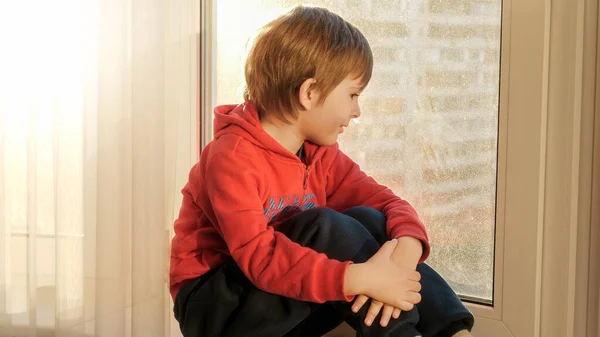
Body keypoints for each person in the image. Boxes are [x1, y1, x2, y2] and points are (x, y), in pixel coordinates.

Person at [170, 5, 474, 337]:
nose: (357, 111)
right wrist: (361, 278)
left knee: (371, 219)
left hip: (281, 301)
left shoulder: (319, 154)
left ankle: (452, 332)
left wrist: (406, 248)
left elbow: (385, 204)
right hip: (215, 311)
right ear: (310, 92)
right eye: (353, 95)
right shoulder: (232, 157)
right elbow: (260, 258)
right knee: (323, 226)